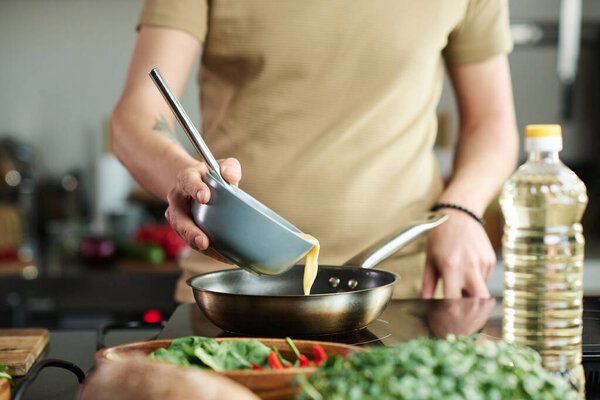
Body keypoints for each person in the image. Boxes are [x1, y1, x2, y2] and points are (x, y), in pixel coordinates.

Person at [111, 0, 518, 303]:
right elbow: (135, 119)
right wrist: (185, 177)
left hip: (401, 292)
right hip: (234, 291)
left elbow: (492, 123)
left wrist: (462, 209)